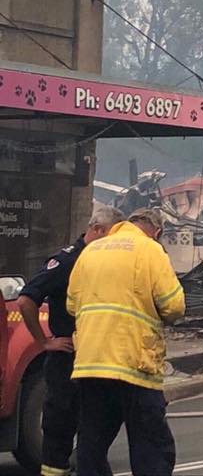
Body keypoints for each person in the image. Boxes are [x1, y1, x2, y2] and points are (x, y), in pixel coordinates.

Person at [66, 207, 185, 476]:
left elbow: (72, 305)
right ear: (157, 231)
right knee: (151, 445)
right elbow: (174, 306)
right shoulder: (150, 251)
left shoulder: (90, 252)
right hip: (134, 364)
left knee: (92, 442)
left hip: (90, 363)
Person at [18, 204, 123, 476]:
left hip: (93, 358)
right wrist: (44, 342)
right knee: (59, 428)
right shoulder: (67, 261)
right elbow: (27, 300)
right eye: (110, 236)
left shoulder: (100, 262)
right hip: (66, 360)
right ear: (97, 229)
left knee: (93, 427)